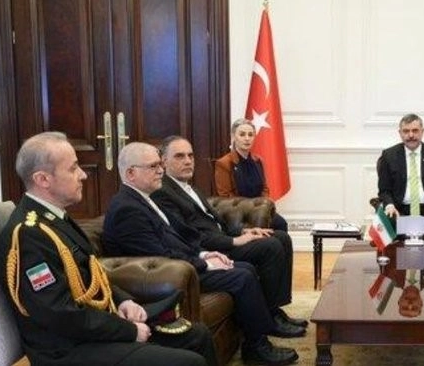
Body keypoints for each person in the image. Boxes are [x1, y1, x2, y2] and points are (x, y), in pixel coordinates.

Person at [0, 132, 216, 366]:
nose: (83, 175)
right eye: (73, 168)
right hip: (68, 351)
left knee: (197, 336)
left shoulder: (54, 218)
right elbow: (60, 315)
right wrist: (129, 331)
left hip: (91, 333)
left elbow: (92, 275)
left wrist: (124, 301)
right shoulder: (29, 235)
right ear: (43, 179)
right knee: (189, 362)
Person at [102, 142, 300, 366]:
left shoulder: (143, 199)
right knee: (242, 275)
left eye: (159, 165)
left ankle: (260, 333)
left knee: (245, 268)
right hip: (168, 277)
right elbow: (159, 256)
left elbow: (177, 239)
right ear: (131, 173)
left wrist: (205, 255)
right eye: (153, 166)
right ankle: (257, 346)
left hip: (181, 263)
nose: (160, 170)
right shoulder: (128, 209)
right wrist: (205, 263)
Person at [152, 135, 307, 331]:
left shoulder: (189, 187)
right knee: (271, 246)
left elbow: (215, 223)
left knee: (281, 237)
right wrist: (234, 241)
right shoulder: (163, 192)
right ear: (164, 161)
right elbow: (189, 235)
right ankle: (270, 318)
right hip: (211, 248)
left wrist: (244, 230)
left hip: (221, 238)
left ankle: (274, 309)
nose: (188, 161)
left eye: (190, 155)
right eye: (179, 156)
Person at [213, 118, 289, 231]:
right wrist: (251, 209)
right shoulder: (224, 163)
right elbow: (225, 197)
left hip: (259, 209)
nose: (247, 138)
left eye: (250, 135)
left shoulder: (258, 160)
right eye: (242, 134)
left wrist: (263, 207)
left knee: (281, 224)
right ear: (233, 137)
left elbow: (264, 188)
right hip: (238, 213)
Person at [377, 113, 424, 219]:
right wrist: (389, 205)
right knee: (388, 221)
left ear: (422, 132)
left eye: (415, 130)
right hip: (398, 211)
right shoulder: (389, 155)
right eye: (406, 131)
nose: (411, 135)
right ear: (400, 133)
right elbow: (384, 190)